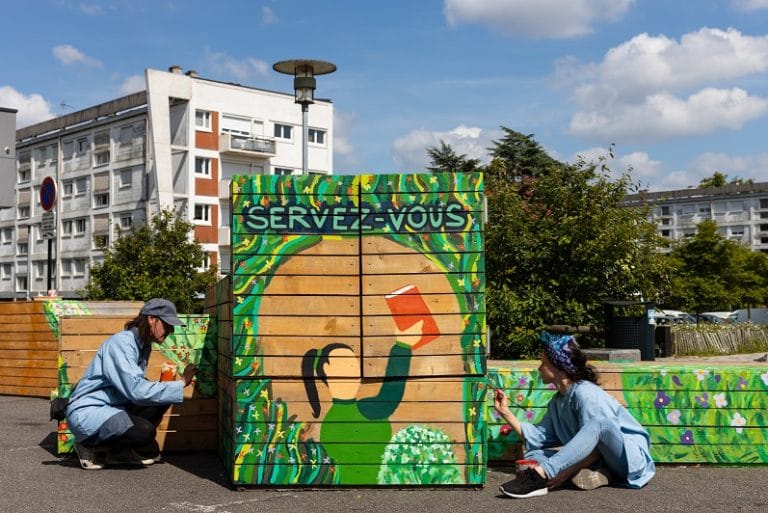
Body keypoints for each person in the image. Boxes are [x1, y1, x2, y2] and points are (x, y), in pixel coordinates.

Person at [493, 332, 655, 498]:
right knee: (533, 455)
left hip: (628, 461)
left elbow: (597, 444)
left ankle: (540, 475)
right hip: (602, 461)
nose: (539, 368)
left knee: (599, 423)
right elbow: (537, 438)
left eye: (543, 363)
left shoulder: (586, 393)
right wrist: (505, 411)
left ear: (557, 365)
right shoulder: (557, 401)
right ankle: (601, 474)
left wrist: (565, 472)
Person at [66, 298, 198, 470]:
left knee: (161, 400)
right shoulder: (122, 343)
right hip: (89, 410)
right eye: (166, 324)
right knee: (145, 432)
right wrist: (181, 383)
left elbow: (136, 386)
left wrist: (168, 386)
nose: (170, 330)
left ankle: (119, 453)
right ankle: (86, 443)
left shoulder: (143, 345)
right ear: (151, 319)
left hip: (112, 405)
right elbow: (135, 390)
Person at [301, 320, 424, 485]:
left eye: (354, 364)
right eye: (346, 365)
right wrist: (402, 346)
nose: (354, 371)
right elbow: (390, 395)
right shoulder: (363, 410)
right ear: (327, 370)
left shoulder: (330, 421)